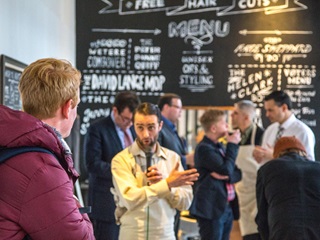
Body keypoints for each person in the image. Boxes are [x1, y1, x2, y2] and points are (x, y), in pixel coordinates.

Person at [0, 58, 94, 239]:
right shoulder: (42, 169)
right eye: (76, 106)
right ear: (68, 108)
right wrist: (77, 207)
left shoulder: (10, 139)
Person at [111, 102, 199, 240]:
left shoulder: (172, 158)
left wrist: (167, 186)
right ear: (133, 126)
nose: (145, 134)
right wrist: (167, 185)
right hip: (132, 233)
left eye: (151, 127)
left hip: (165, 233)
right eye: (140, 127)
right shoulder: (121, 160)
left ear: (160, 126)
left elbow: (185, 203)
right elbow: (130, 199)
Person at [84, 91, 140, 240]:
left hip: (131, 204)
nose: (129, 124)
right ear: (115, 110)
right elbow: (92, 164)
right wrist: (124, 171)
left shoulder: (135, 131)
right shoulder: (97, 129)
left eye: (132, 120)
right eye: (126, 119)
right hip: (106, 204)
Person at [190, 109, 242, 240]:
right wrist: (232, 145)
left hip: (226, 206)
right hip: (212, 208)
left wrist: (227, 175)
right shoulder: (204, 148)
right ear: (213, 128)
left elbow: (238, 173)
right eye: (224, 122)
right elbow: (227, 169)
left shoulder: (219, 147)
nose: (227, 125)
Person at [255, 136, 320, 240]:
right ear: (303, 152)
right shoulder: (318, 168)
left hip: (283, 232)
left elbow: (261, 218)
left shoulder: (266, 170)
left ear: (277, 154)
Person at [231, 100, 264, 240]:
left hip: (257, 193)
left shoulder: (261, 135)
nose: (232, 116)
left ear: (246, 117)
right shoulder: (234, 137)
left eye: (235, 113)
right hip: (241, 192)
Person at [253, 90, 315, 163]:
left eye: (271, 110)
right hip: (270, 173)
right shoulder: (270, 129)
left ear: (284, 108)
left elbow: (309, 163)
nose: (267, 114)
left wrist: (275, 155)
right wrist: (258, 155)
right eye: (266, 110)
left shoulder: (303, 131)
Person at [157, 93, 189, 169]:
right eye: (178, 107)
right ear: (166, 107)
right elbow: (157, 156)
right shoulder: (158, 128)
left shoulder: (171, 128)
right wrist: (185, 159)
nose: (181, 111)